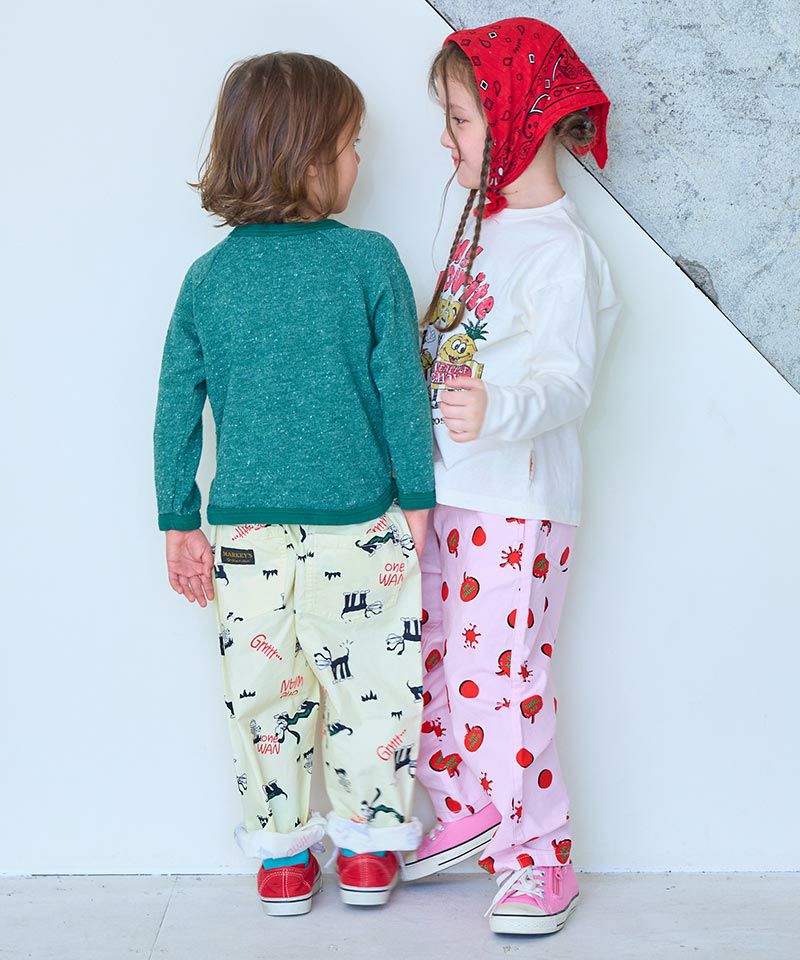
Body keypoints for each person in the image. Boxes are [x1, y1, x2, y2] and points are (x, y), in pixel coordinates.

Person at [153, 52, 435, 916]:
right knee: (374, 690)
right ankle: (367, 852)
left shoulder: (209, 277)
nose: (360, 162)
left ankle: (281, 860)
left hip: (244, 536)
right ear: (308, 158)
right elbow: (403, 391)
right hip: (361, 524)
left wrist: (178, 517)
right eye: (351, 146)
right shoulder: (369, 261)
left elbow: (175, 404)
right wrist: (418, 500)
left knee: (263, 697)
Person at [403, 18, 622, 936]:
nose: (444, 139)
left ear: (519, 119)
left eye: (459, 119)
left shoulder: (560, 249)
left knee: (500, 677)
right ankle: (470, 811)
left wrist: (498, 410)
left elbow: (568, 383)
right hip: (448, 495)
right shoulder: (481, 229)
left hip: (517, 504)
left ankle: (540, 854)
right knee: (431, 660)